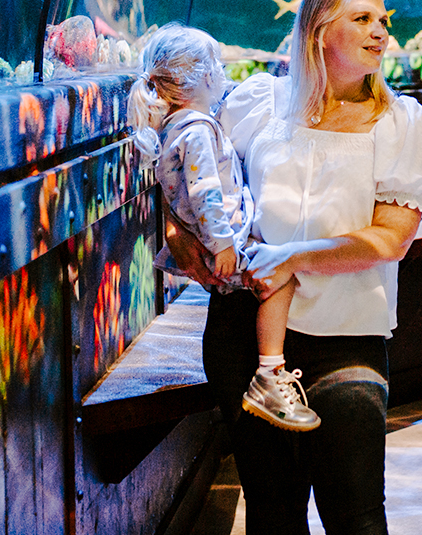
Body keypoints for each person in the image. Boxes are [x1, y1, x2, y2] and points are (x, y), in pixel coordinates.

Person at [162, 0, 422, 535]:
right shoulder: (256, 103)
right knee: (272, 509)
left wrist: (291, 257)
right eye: (362, 19)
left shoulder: (399, 120)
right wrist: (175, 228)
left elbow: (392, 237)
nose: (380, 33)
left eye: (382, 20)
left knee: (357, 512)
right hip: (244, 330)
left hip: (347, 334)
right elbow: (188, 160)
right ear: (317, 31)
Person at [130, 23, 321, 430]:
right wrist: (222, 244)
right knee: (280, 277)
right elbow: (203, 192)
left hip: (217, 240)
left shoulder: (175, 128)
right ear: (194, 79)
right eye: (214, 65)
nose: (221, 72)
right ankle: (270, 373)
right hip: (226, 242)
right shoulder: (197, 129)